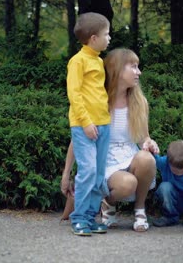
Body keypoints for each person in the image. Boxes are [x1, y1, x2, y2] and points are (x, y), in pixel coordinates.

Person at [61, 48, 159, 234]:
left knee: (147, 159)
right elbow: (78, 140)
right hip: (106, 161)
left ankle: (140, 211)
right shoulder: (98, 102)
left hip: (129, 155)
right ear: (118, 70)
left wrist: (148, 142)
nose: (139, 72)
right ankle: (108, 203)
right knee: (127, 183)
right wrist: (66, 174)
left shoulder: (140, 102)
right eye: (134, 67)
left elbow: (143, 137)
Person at [65, 12, 112, 236]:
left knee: (99, 173)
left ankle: (91, 217)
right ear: (93, 38)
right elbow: (74, 95)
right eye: (106, 34)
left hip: (104, 124)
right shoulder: (77, 61)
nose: (109, 38)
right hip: (84, 126)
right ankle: (79, 218)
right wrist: (85, 122)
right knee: (88, 170)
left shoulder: (99, 60)